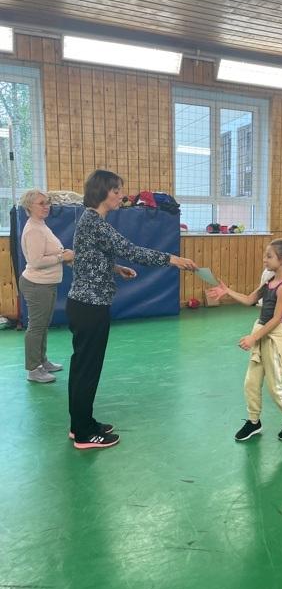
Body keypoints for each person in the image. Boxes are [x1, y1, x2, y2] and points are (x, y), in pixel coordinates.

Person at [67, 170, 197, 450]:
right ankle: (84, 434)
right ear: (102, 193)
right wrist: (173, 259)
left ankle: (81, 423)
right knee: (86, 370)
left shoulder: (90, 220)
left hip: (86, 304)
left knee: (83, 368)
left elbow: (88, 257)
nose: (121, 196)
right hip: (90, 307)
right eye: (116, 191)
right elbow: (132, 249)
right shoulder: (95, 222)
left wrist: (115, 268)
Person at [207, 239, 282, 442]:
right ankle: (254, 421)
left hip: (274, 337)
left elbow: (276, 319)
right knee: (251, 383)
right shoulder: (269, 281)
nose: (264, 259)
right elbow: (249, 299)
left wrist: (253, 337)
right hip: (261, 332)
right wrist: (227, 291)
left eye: (269, 256)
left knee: (275, 386)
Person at [18, 189, 75, 383]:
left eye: (48, 202)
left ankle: (42, 361)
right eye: (41, 203)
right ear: (29, 206)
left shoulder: (40, 225)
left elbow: (48, 253)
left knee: (42, 326)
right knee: (36, 327)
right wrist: (62, 257)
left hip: (45, 284)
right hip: (37, 285)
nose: (46, 206)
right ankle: (34, 369)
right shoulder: (34, 229)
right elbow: (35, 261)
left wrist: (62, 254)